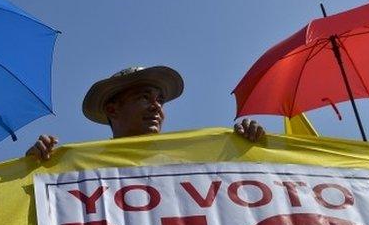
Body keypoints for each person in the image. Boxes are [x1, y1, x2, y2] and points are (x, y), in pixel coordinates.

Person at [27, 66, 265, 160]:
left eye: (160, 100)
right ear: (112, 109)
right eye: (143, 98)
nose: (156, 107)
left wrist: (246, 150)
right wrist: (32, 172)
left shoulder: (187, 163)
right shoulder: (81, 169)